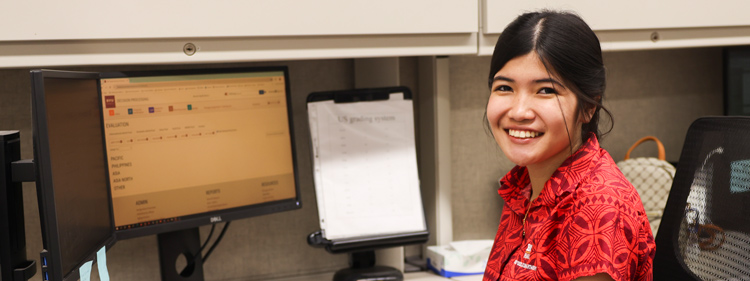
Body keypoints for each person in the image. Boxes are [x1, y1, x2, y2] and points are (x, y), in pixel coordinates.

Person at [482, 10, 656, 281]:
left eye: (546, 90)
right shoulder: (526, 187)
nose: (519, 111)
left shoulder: (597, 210)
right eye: (504, 87)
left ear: (588, 107)